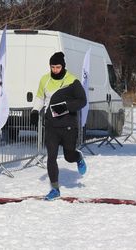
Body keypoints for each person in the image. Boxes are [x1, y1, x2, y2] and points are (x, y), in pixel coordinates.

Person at [30, 52, 87, 200]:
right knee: (51, 157)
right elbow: (40, 97)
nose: (55, 70)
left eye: (58, 67)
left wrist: (66, 107)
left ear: (63, 66)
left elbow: (82, 101)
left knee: (69, 156)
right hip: (51, 125)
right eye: (53, 67)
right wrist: (35, 111)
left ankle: (78, 157)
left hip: (68, 125)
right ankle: (55, 189)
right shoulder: (45, 79)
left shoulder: (72, 81)